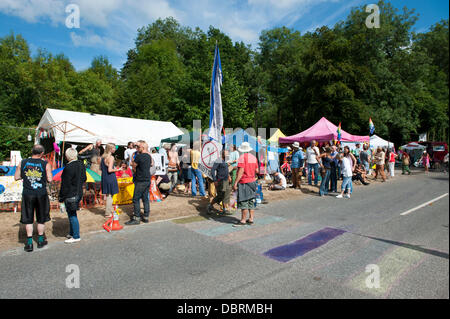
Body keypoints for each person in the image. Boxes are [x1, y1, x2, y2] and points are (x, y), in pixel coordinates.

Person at [14, 144, 53, 252]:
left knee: (28, 218)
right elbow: (50, 179)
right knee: (41, 218)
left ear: (32, 151)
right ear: (42, 153)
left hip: (28, 193)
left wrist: (27, 176)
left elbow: (16, 177)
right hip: (41, 193)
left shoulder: (23, 162)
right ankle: (40, 241)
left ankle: (29, 243)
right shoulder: (45, 163)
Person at [59, 148, 87, 244]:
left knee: (72, 215)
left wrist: (61, 197)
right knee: (71, 213)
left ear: (67, 156)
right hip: (78, 192)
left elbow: (65, 184)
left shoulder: (68, 167)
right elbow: (84, 178)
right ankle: (72, 233)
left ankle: (76, 235)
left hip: (70, 193)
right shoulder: (81, 164)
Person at [232, 142, 259, 227]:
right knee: (251, 200)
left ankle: (243, 220)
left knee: (244, 201)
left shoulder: (242, 158)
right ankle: (251, 219)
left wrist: (235, 182)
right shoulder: (253, 157)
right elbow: (257, 170)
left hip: (244, 182)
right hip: (252, 181)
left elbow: (241, 171)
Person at [126, 141, 152, 225]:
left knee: (136, 199)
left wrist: (134, 167)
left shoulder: (139, 156)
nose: (137, 149)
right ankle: (146, 217)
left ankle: (136, 218)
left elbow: (133, 166)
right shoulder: (148, 156)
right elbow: (151, 164)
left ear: (143, 148)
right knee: (145, 198)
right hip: (147, 179)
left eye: (139, 147)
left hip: (140, 179)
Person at [208, 150, 232, 215]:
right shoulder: (218, 160)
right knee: (220, 195)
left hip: (226, 180)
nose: (227, 155)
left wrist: (229, 176)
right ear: (222, 154)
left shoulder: (225, 160)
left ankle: (225, 209)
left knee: (226, 195)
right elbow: (212, 170)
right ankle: (210, 206)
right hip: (220, 181)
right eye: (226, 154)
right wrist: (215, 180)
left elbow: (225, 170)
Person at [100, 143, 120, 218]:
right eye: (114, 148)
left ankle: (108, 211)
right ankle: (107, 213)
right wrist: (117, 169)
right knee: (110, 196)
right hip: (110, 177)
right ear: (110, 149)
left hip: (104, 177)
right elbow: (110, 170)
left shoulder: (102, 157)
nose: (115, 149)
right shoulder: (111, 157)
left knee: (108, 195)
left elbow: (101, 168)